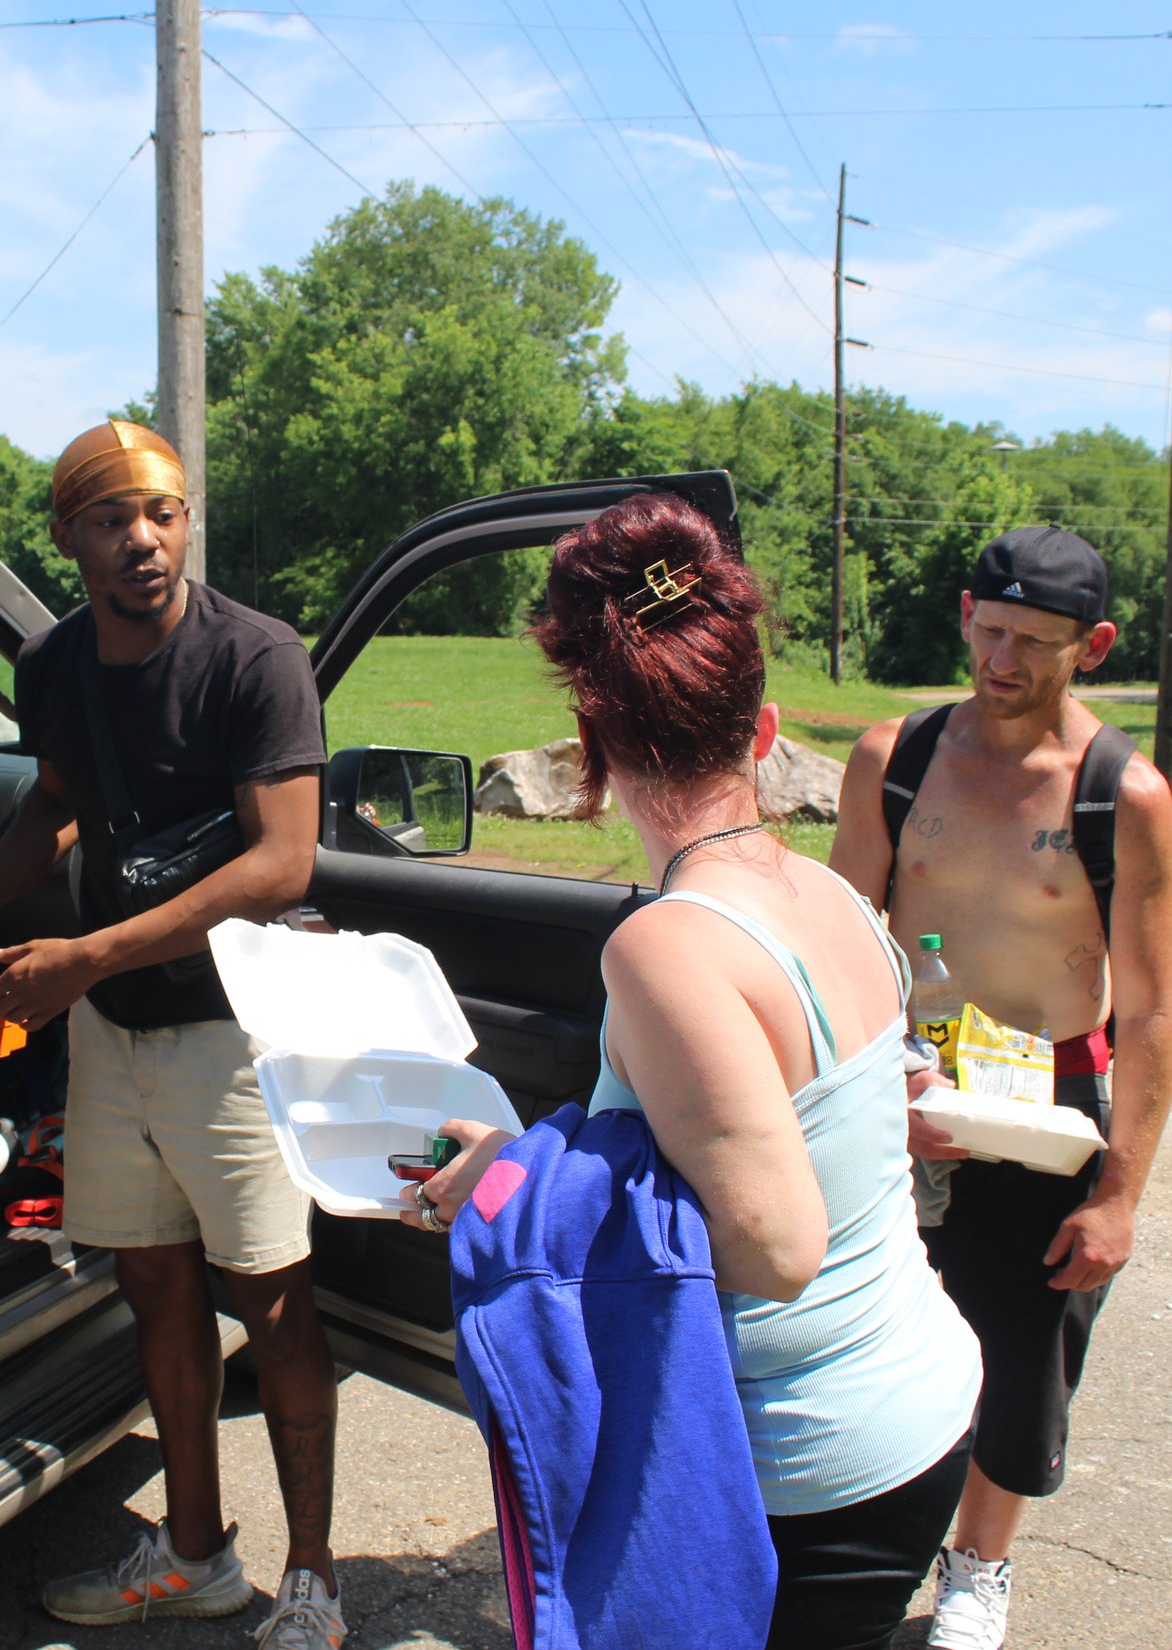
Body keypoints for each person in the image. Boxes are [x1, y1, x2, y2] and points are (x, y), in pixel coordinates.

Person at [407, 492, 983, 1650]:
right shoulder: (829, 893)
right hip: (920, 1398)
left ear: (595, 745)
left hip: (800, 1466)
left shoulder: (664, 942)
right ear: (762, 732)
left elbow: (775, 1246)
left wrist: (514, 1189)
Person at [0, 421, 344, 1648]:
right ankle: (193, 1552)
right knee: (152, 1283)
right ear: (67, 537)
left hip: (234, 1034)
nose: (144, 540)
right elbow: (58, 802)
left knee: (275, 1299)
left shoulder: (258, 656)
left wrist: (84, 957)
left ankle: (313, 1579)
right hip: (118, 1032)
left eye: (165, 512)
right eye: (113, 519)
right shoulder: (54, 662)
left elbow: (280, 860)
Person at [828, 524, 1172, 1650]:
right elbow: (840, 943)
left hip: (1047, 1113)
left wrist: (1119, 1191)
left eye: (1034, 641)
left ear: (1094, 645)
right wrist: (870, 1083)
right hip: (904, 1092)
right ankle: (853, 1542)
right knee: (857, 1328)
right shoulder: (896, 755)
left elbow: (1156, 1006)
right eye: (987, 629)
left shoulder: (1121, 794)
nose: (1000, 660)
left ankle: (979, 1568)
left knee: (1020, 1349)